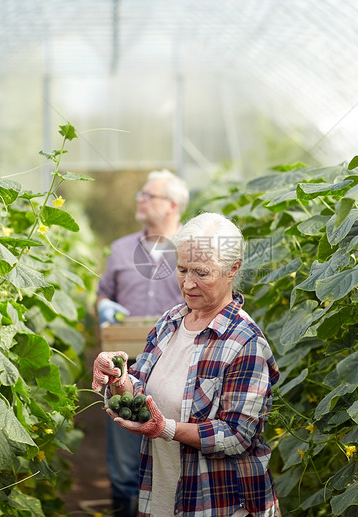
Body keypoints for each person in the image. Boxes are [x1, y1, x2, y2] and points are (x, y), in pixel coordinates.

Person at [93, 212, 281, 517]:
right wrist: (117, 375)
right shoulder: (170, 322)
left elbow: (236, 436)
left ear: (232, 269)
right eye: (182, 269)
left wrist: (166, 429)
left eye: (202, 273)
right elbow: (138, 387)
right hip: (162, 495)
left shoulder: (245, 343)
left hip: (219, 504)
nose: (188, 283)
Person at [94, 169, 189, 517]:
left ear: (173, 204)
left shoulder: (190, 250)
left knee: (171, 446)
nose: (140, 200)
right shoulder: (121, 249)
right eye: (140, 194)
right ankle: (125, 507)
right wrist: (104, 305)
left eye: (148, 195)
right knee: (123, 454)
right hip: (125, 365)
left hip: (177, 366)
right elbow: (104, 293)